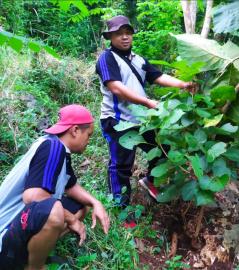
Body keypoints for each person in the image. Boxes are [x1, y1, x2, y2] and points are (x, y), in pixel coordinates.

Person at [96, 15, 196, 209]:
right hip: (117, 121)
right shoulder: (106, 59)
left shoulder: (138, 59)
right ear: (110, 37)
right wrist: (147, 102)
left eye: (127, 33)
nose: (124, 37)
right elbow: (116, 88)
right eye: (118, 34)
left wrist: (183, 84)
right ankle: (120, 207)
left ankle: (150, 181)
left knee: (163, 149)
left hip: (141, 120)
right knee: (121, 166)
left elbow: (158, 76)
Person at [0, 104, 110, 270]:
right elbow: (33, 197)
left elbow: (70, 186)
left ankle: (34, 251)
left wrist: (96, 203)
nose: (88, 141)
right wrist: (71, 219)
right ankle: (33, 266)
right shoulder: (53, 148)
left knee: (79, 206)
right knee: (54, 210)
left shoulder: (56, 148)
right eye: (88, 135)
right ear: (75, 130)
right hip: (5, 236)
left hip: (18, 227)